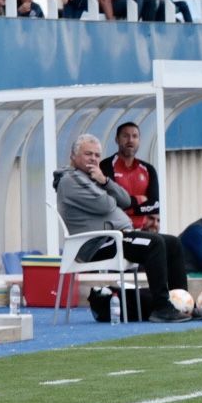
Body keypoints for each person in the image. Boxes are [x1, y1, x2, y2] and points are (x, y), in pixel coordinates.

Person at [54, 134, 191, 323]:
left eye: (97, 155)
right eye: (88, 154)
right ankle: (162, 308)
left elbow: (125, 201)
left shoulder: (94, 178)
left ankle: (183, 302)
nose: (93, 159)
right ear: (73, 156)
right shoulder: (69, 180)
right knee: (155, 242)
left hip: (115, 238)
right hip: (96, 244)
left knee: (173, 243)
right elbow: (107, 205)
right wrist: (108, 192)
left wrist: (105, 181)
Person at [99, 121, 160, 231]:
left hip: (142, 230)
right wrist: (139, 199)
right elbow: (111, 202)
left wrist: (130, 210)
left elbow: (155, 204)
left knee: (171, 243)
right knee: (160, 243)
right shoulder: (106, 165)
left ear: (139, 140)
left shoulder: (148, 169)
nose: (130, 140)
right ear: (117, 140)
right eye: (125, 136)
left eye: (134, 136)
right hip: (117, 230)